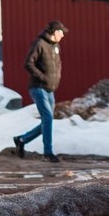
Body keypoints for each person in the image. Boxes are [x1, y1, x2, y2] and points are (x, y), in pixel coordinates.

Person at [13, 20, 67, 163]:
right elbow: (28, 63)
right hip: (38, 87)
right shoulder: (39, 44)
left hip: (50, 89)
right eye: (61, 32)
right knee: (48, 118)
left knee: (47, 120)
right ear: (55, 32)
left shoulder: (55, 46)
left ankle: (22, 139)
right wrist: (43, 77)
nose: (62, 35)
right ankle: (48, 153)